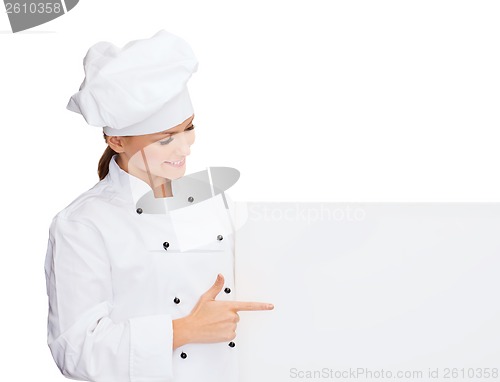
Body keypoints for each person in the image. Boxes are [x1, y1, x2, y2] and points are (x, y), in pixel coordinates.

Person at [44, 29, 274, 382]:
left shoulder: (216, 199)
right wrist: (184, 330)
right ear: (116, 140)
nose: (185, 148)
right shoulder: (83, 224)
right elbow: (76, 351)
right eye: (165, 139)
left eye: (188, 128)